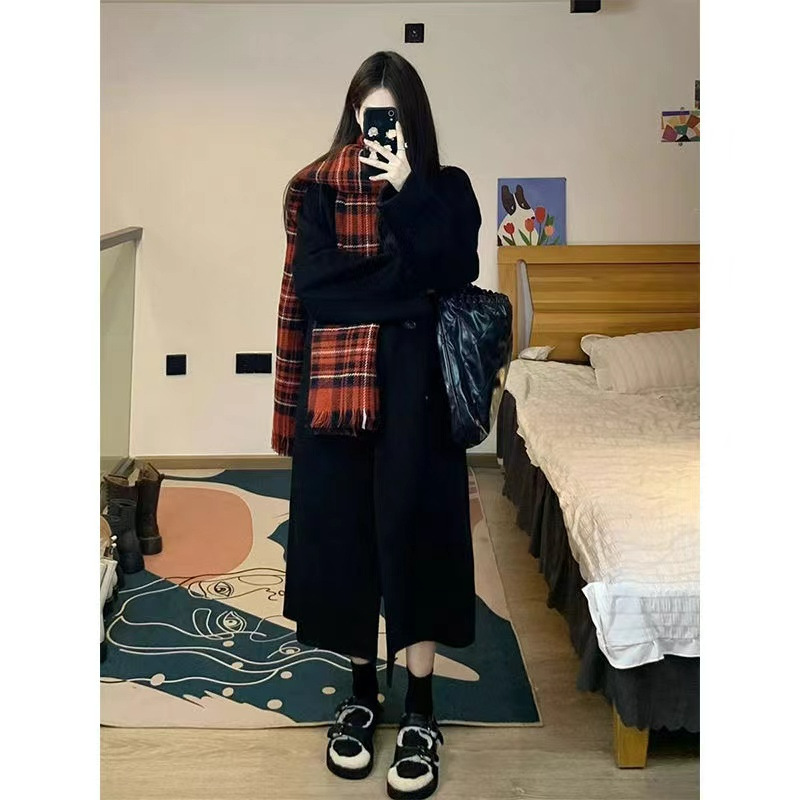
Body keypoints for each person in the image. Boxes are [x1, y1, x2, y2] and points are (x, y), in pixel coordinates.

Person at [273, 50, 481, 800]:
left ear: (411, 120)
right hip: (336, 399)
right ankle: (362, 694)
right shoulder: (316, 190)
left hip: (419, 398)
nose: (377, 131)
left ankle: (421, 706)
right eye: (368, 117)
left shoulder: (445, 190)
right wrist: (406, 289)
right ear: (352, 118)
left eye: (390, 117)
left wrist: (407, 196)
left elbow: (454, 269)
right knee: (346, 541)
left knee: (418, 541)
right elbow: (318, 290)